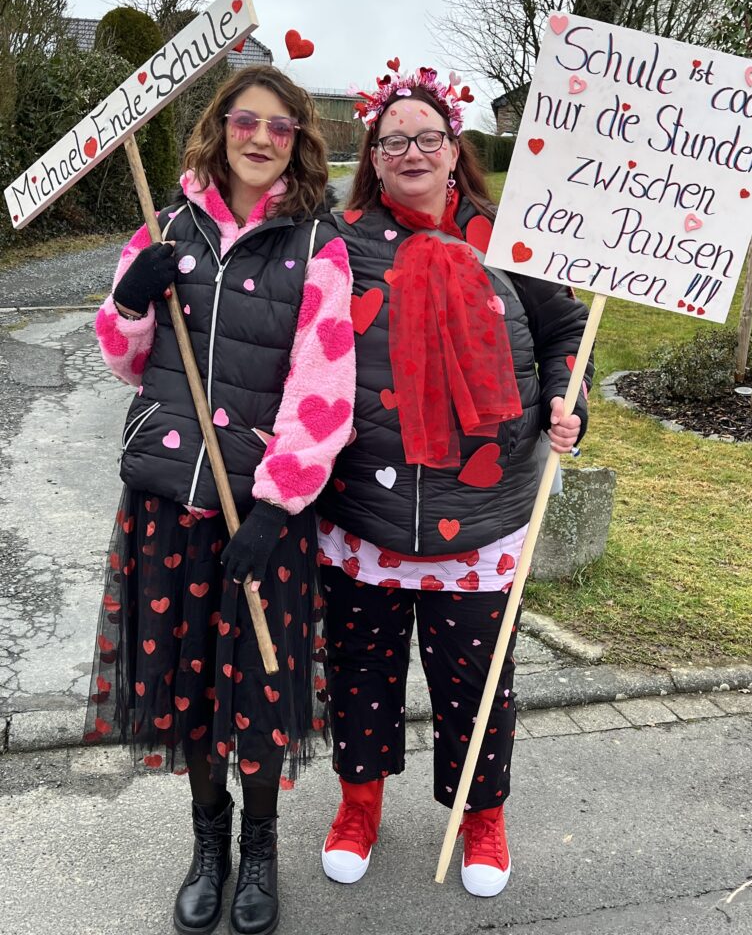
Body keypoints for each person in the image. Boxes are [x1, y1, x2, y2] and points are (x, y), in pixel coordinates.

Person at [84, 65, 355, 935]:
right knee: (189, 687)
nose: (261, 138)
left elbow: (326, 388)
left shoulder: (319, 248)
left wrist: (277, 509)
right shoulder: (164, 229)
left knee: (259, 696)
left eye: (282, 127)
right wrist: (129, 298)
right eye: (248, 120)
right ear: (220, 126)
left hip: (260, 516)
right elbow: (125, 359)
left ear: (299, 143)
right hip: (168, 505)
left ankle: (262, 853)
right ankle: (210, 846)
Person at [315, 65, 592, 897]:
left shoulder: (512, 236)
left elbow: (565, 328)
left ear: (453, 147)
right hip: (364, 511)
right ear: (372, 153)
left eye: (426, 136)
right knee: (360, 671)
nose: (411, 151)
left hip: (484, 511)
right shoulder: (338, 239)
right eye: (392, 139)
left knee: (476, 682)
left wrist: (564, 395)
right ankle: (358, 805)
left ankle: (482, 817)